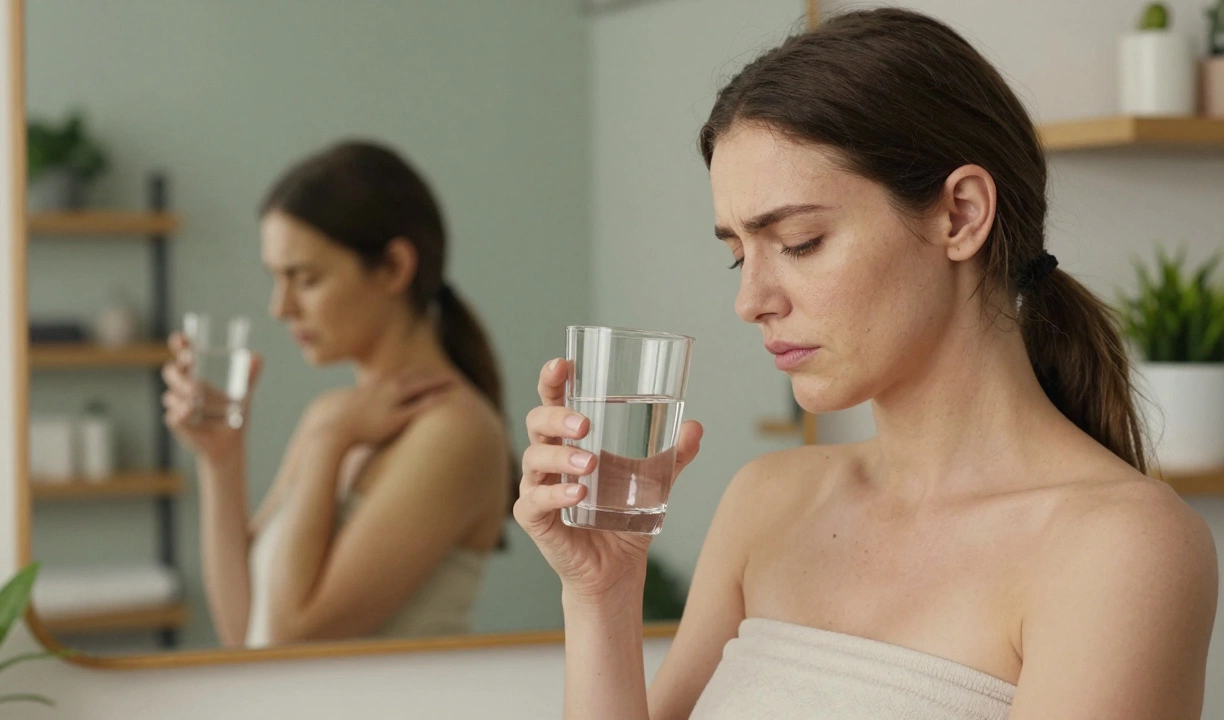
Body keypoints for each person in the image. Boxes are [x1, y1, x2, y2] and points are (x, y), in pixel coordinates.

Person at [515, 9, 1218, 719]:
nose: (749, 300)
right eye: (737, 253)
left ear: (961, 215)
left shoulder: (1119, 547)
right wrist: (601, 595)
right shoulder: (768, 501)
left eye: (799, 241)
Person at [162, 140, 512, 648]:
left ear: (394, 267)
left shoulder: (453, 432)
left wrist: (329, 442)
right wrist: (221, 459)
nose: (280, 308)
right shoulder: (335, 416)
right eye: (276, 279)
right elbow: (245, 634)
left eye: (305, 279)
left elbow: (290, 640)